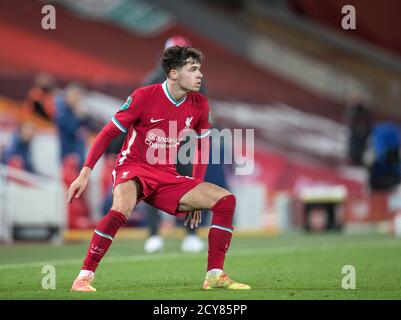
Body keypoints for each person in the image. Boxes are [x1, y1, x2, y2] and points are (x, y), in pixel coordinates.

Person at [68, 46, 250, 291]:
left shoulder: (200, 104)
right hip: (133, 167)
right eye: (193, 69)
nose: (200, 75)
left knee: (225, 200)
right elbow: (108, 133)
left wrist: (195, 186)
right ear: (174, 74)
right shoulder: (144, 96)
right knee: (121, 208)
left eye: (200, 69)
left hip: (166, 174)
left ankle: (215, 274)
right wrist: (85, 172)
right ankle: (84, 276)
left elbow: (201, 148)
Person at [142, 35, 207, 253]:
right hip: (158, 141)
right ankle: (153, 234)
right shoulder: (153, 79)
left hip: (185, 140)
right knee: (150, 187)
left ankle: (191, 234)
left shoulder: (195, 79)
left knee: (189, 185)